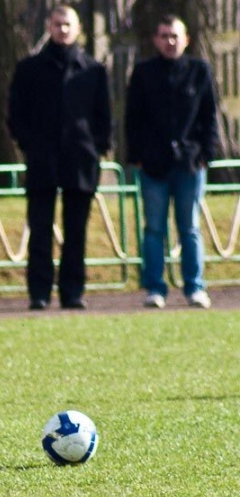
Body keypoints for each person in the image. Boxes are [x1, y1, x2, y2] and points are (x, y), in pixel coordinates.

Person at [7, 3, 112, 310]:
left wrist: (96, 147)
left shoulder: (93, 70)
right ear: (49, 28)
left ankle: (72, 292)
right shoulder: (29, 69)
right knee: (39, 230)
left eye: (68, 25)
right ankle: (39, 293)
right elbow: (15, 115)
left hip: (80, 160)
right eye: (57, 24)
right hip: (42, 159)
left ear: (77, 29)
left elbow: (103, 116)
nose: (62, 30)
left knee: (76, 232)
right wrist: (29, 143)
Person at [125, 14, 219, 309]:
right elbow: (133, 117)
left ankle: (194, 287)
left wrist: (207, 154)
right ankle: (155, 287)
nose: (169, 41)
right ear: (156, 40)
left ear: (186, 39)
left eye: (174, 35)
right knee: (154, 227)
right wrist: (136, 155)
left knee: (189, 226)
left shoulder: (199, 70)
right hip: (153, 164)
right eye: (164, 35)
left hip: (190, 163)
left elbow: (209, 115)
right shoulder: (143, 73)